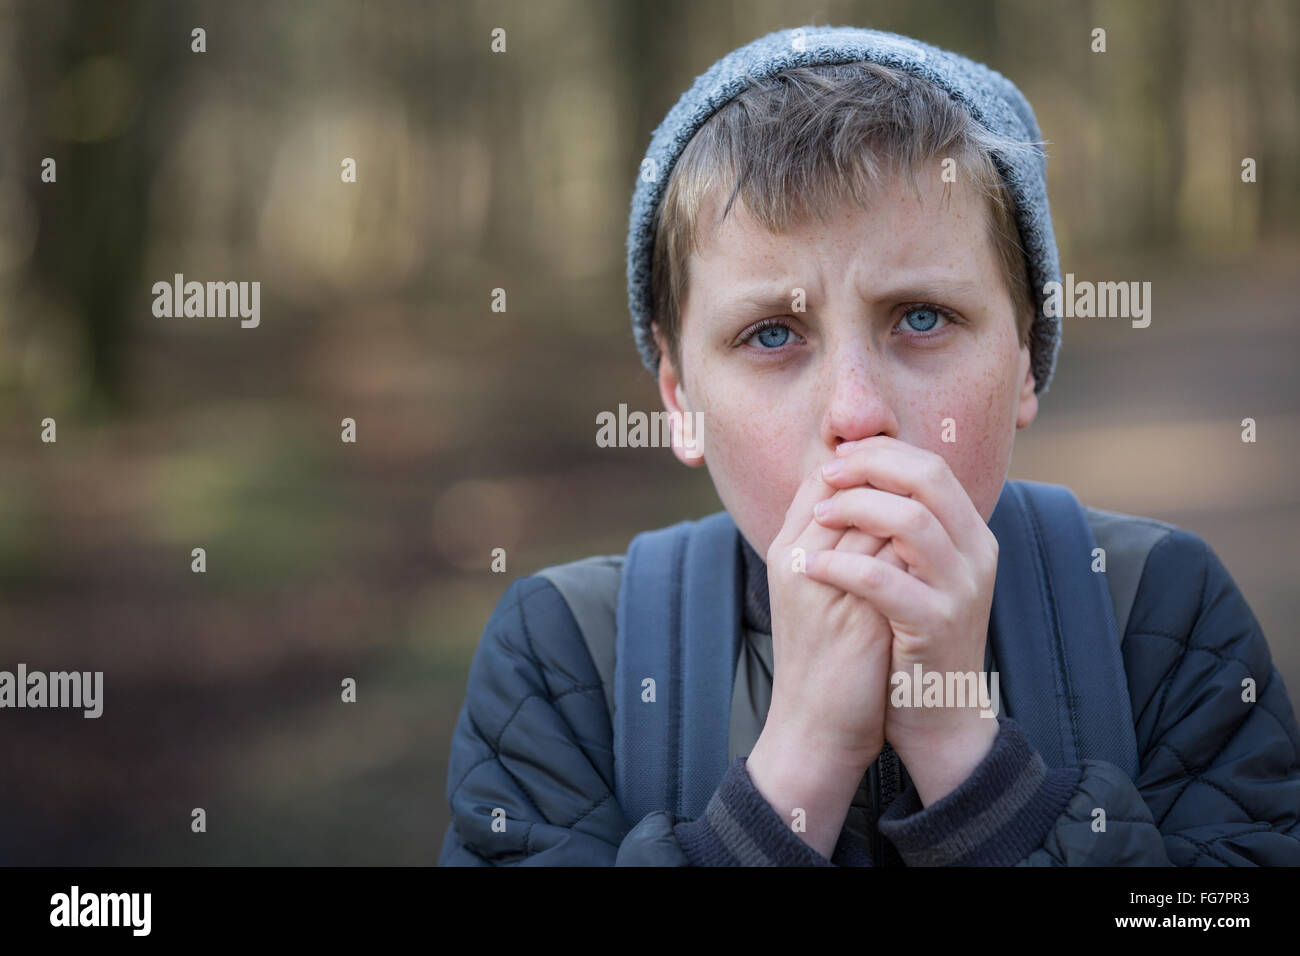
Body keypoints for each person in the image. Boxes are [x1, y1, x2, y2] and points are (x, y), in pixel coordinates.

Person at [437, 25, 1300, 866]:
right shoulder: (565, 662)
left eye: (922, 317)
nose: (856, 413)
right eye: (772, 335)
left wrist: (969, 762)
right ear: (680, 399)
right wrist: (800, 765)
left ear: (1027, 361)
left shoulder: (1163, 617)